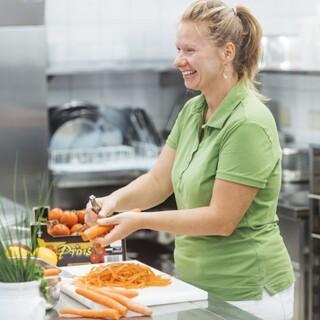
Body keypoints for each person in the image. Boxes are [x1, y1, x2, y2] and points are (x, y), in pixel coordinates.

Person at [85, 1, 295, 319]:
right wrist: (112, 201)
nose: (178, 60)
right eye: (178, 49)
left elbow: (221, 220)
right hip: (196, 287)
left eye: (190, 50)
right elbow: (159, 181)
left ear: (227, 52)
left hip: (248, 293)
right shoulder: (193, 111)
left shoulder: (248, 121)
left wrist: (140, 220)